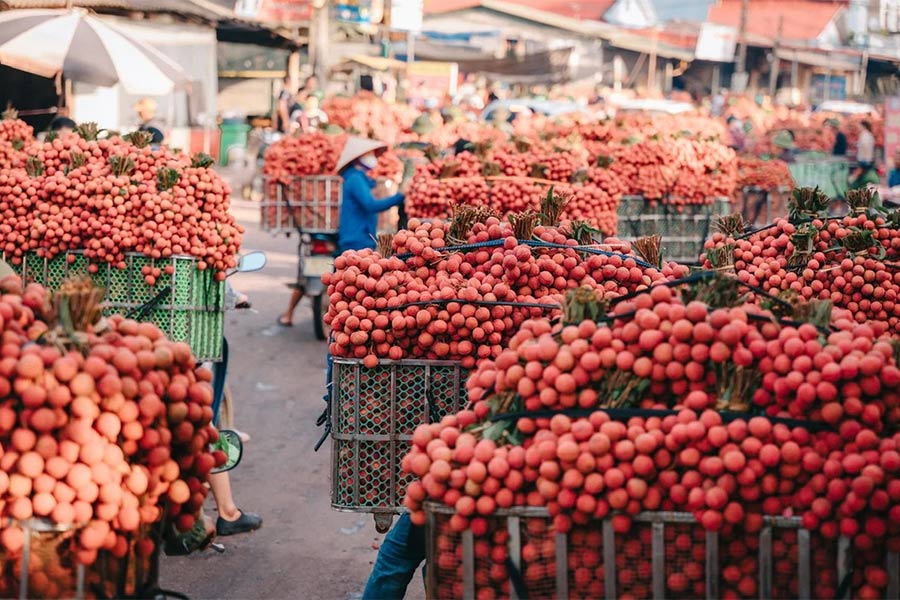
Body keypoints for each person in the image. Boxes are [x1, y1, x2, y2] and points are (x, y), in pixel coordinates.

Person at [278, 137, 404, 327]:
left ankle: (292, 314)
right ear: (359, 158)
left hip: (357, 236)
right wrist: (401, 196)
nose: (373, 158)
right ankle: (345, 321)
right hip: (357, 238)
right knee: (355, 287)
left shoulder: (360, 179)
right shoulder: (355, 178)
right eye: (369, 155)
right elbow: (370, 205)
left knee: (344, 284)